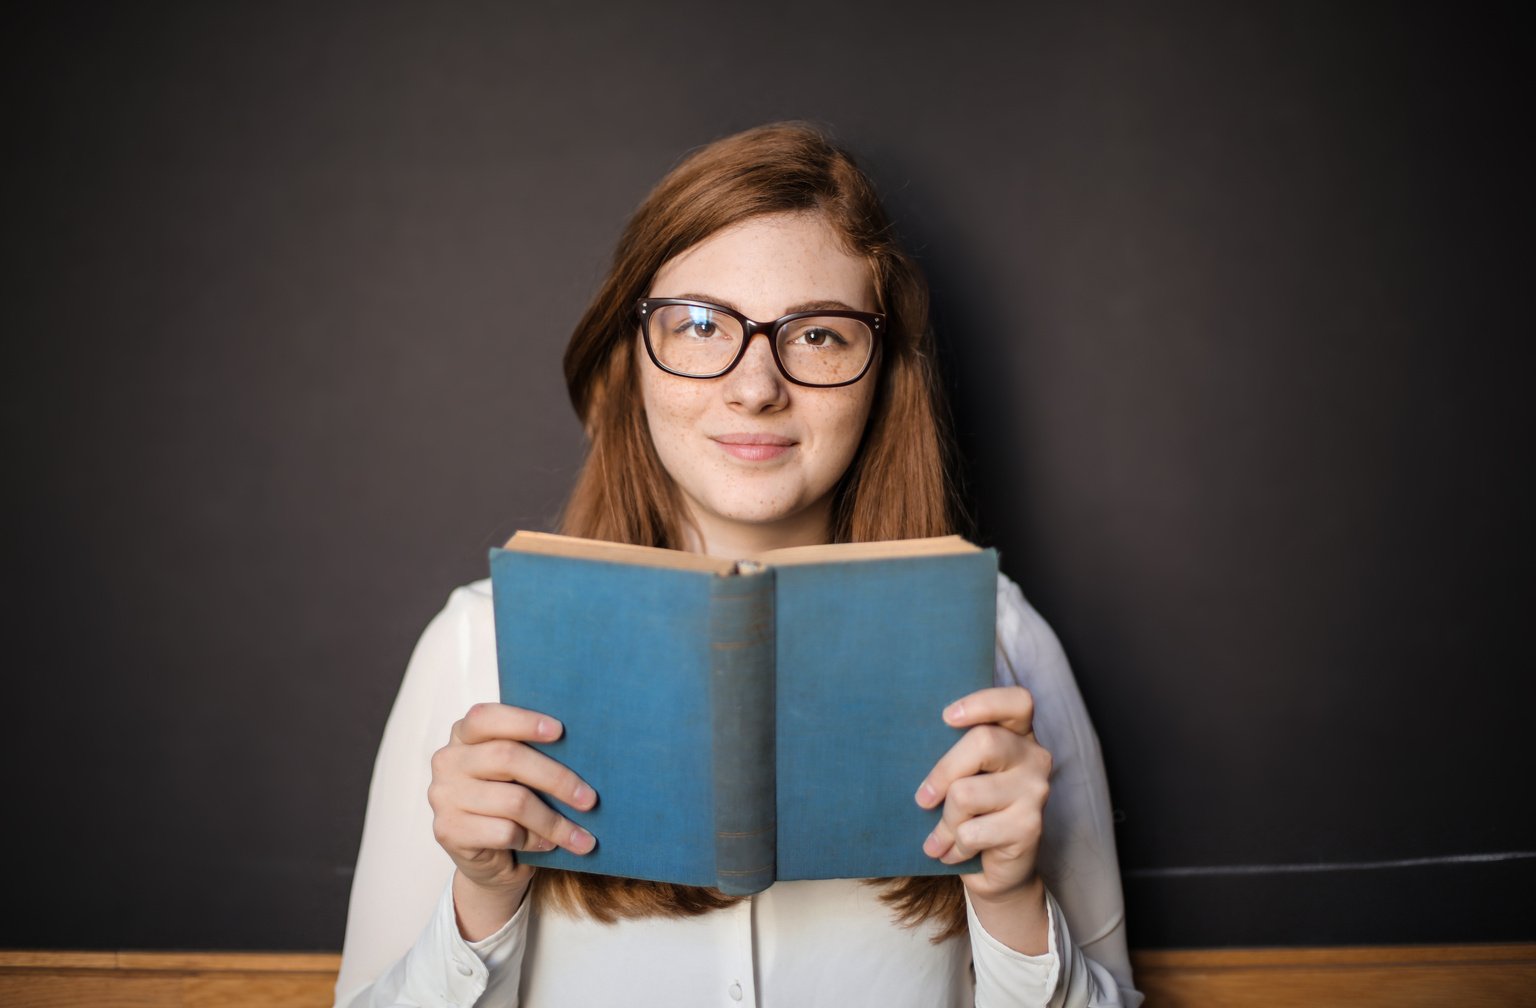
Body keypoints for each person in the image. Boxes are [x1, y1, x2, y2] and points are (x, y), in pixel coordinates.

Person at [334, 123, 1141, 1007]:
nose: (756, 386)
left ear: (883, 373)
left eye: (820, 336)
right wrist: (482, 898)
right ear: (632, 355)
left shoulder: (1006, 643)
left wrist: (1012, 903)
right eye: (699, 325)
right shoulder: (472, 648)